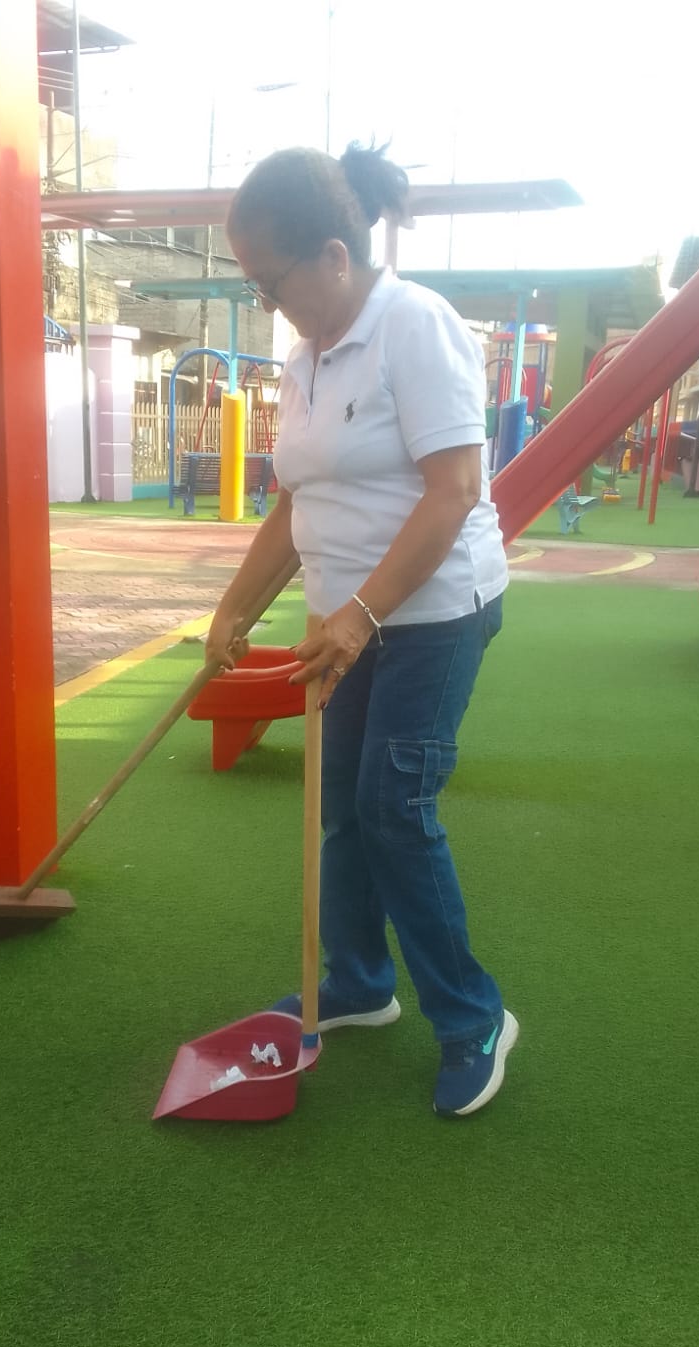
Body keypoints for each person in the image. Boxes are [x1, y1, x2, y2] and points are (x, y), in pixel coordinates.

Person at [206, 143, 517, 1119]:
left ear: (334, 256)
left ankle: (474, 1017)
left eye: (269, 280)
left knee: (393, 807)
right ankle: (358, 981)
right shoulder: (303, 356)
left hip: (433, 614)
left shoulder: (414, 326)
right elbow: (296, 499)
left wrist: (360, 614)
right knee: (340, 797)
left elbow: (453, 491)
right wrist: (235, 606)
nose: (266, 301)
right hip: (345, 618)